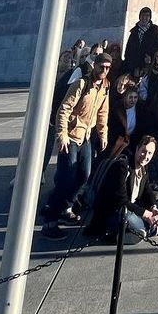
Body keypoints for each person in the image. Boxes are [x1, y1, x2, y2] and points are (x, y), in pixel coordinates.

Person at [42, 50, 111, 238]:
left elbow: (102, 113)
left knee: (84, 175)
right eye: (101, 66)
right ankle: (50, 221)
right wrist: (61, 135)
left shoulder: (104, 87)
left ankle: (66, 207)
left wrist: (103, 134)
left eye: (107, 68)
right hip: (70, 137)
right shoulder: (81, 83)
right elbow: (63, 109)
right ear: (94, 66)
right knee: (66, 177)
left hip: (86, 137)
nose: (104, 70)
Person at [84, 135, 158, 242]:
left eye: (149, 153)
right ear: (137, 149)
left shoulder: (144, 167)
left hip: (134, 208)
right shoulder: (122, 168)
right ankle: (152, 229)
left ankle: (144, 231)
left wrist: (153, 208)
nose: (145, 156)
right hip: (116, 212)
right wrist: (146, 214)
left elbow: (147, 191)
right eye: (143, 151)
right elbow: (121, 201)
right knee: (129, 217)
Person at [123, 7, 158, 77]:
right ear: (139, 17)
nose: (144, 18)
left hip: (150, 64)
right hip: (135, 65)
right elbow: (128, 50)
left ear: (150, 18)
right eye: (143, 15)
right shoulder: (134, 31)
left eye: (147, 16)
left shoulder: (154, 31)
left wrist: (153, 58)